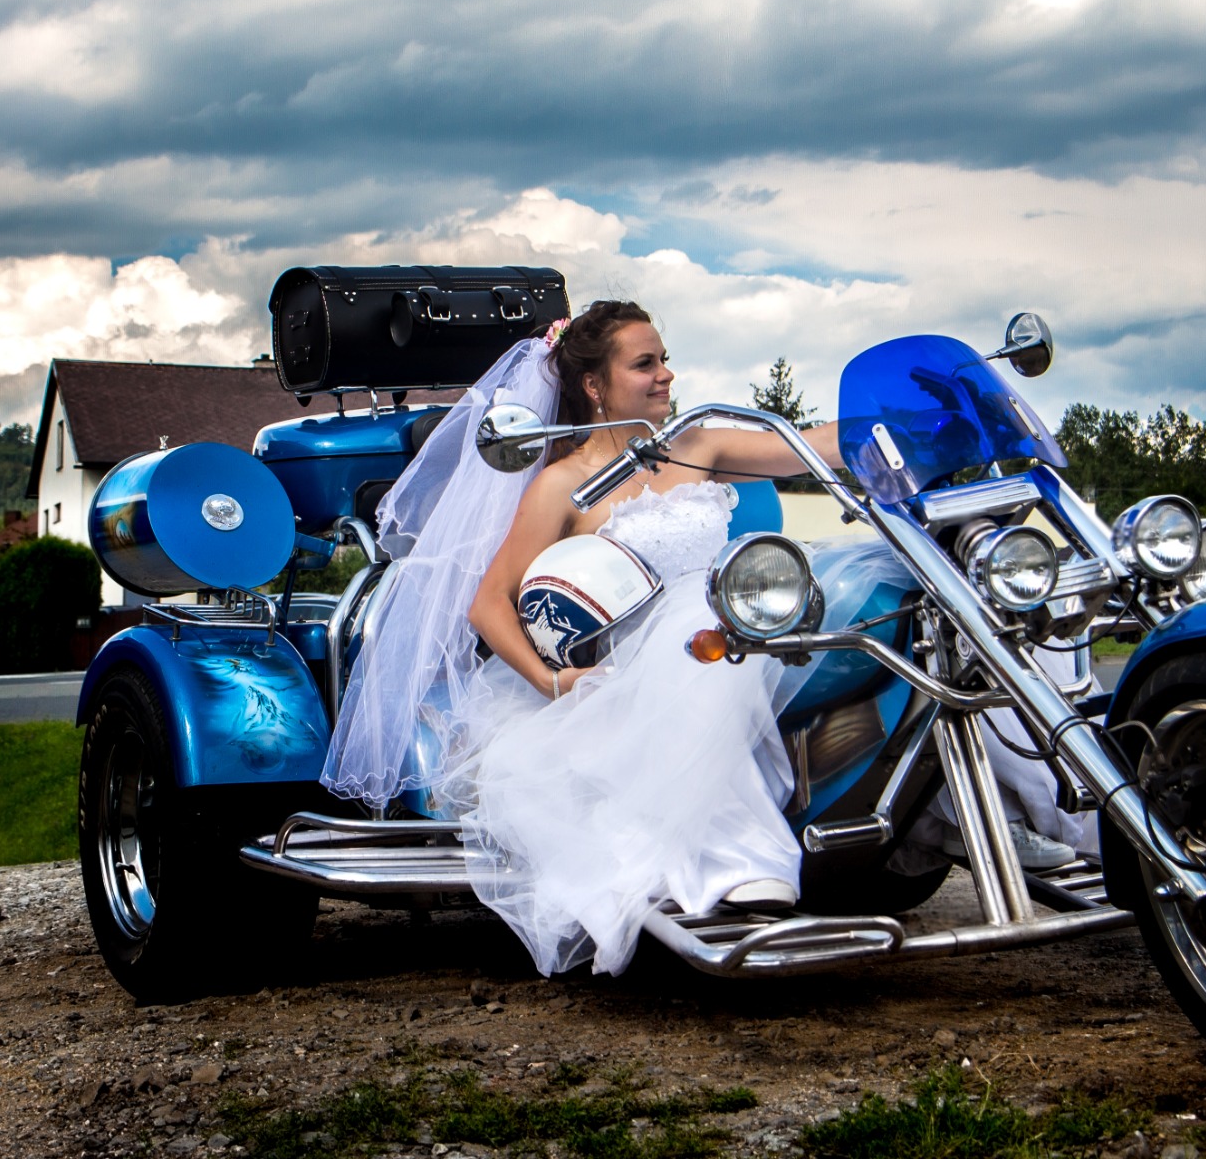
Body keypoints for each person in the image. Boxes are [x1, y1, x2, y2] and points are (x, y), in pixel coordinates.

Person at [324, 301, 844, 976]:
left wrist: (902, 418)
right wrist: (553, 682)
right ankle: (739, 863)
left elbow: (810, 446)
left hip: (724, 638)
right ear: (595, 385)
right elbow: (488, 604)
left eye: (664, 359)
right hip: (623, 667)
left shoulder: (698, 444)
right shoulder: (563, 485)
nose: (666, 375)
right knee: (698, 631)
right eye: (645, 363)